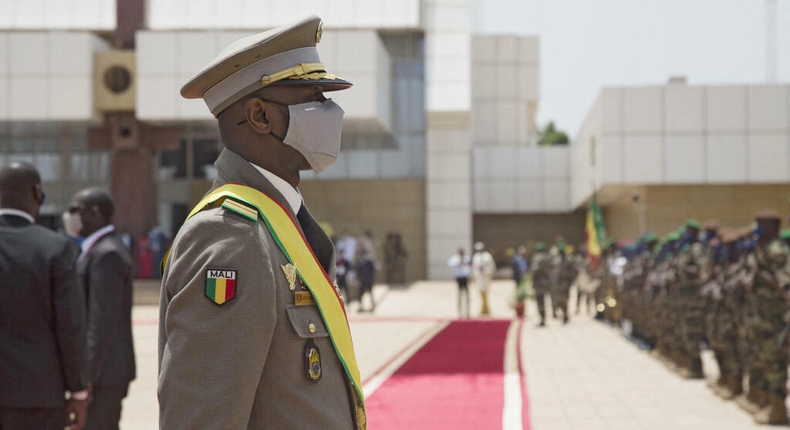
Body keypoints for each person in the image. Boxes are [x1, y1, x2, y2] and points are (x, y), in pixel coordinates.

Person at [157, 16, 367, 430]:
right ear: (259, 116)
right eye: (315, 97)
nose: (332, 111)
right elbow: (202, 419)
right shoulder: (231, 234)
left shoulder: (278, 221)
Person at [0, 162, 89, 430]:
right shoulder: (56, 249)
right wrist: (77, 391)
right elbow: (70, 326)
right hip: (38, 396)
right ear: (36, 194)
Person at [69, 189, 136, 430]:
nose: (69, 217)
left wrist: (87, 378)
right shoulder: (98, 249)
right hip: (105, 371)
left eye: (74, 210)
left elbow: (101, 320)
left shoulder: (107, 254)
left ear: (94, 213)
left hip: (105, 374)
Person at [471, 242, 496, 316]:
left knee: (486, 292)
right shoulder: (476, 256)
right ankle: (484, 308)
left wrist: (485, 270)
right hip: (479, 278)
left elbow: (491, 266)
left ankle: (485, 309)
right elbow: (474, 267)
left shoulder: (487, 256)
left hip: (485, 277)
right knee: (480, 292)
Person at [531, 243, 553, 327]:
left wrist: (533, 281)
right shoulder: (548, 258)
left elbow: (535, 270)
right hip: (547, 282)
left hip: (539, 283)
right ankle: (551, 314)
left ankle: (542, 319)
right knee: (549, 299)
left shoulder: (537, 258)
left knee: (540, 301)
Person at [357, 230, 378, 312]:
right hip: (362, 280)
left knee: (370, 292)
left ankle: (372, 305)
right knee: (361, 293)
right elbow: (358, 271)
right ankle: (361, 306)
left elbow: (373, 272)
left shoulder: (370, 262)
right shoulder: (361, 262)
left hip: (369, 280)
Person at [447, 248, 472, 318]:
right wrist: (458, 262)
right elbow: (450, 264)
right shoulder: (454, 258)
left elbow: (470, 265)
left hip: (465, 278)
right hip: (459, 278)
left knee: (467, 295)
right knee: (459, 295)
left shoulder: (466, 258)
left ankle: (467, 311)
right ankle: (460, 311)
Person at [335, 230, 358, 299]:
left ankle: (352, 297)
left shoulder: (352, 242)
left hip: (349, 263)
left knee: (351, 282)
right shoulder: (340, 242)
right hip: (341, 264)